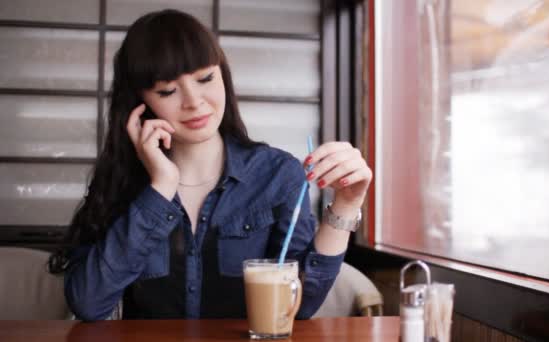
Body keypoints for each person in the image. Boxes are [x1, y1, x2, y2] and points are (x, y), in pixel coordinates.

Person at [48, 9, 372, 321]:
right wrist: (160, 187)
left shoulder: (277, 175)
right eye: (168, 90)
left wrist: (345, 205)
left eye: (205, 78)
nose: (194, 101)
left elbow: (298, 308)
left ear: (223, 76)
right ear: (140, 102)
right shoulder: (124, 182)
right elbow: (88, 303)